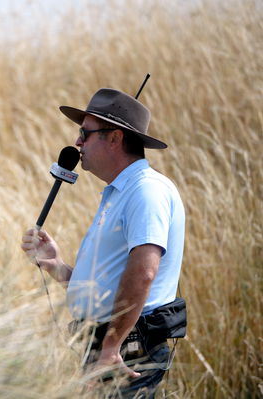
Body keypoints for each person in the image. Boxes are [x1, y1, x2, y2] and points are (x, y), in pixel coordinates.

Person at [20, 88, 185, 398]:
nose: (78, 142)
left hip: (128, 349)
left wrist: (111, 345)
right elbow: (106, 287)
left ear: (115, 138)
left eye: (85, 132)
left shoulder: (146, 191)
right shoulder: (120, 193)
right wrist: (57, 266)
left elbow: (144, 272)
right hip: (111, 344)